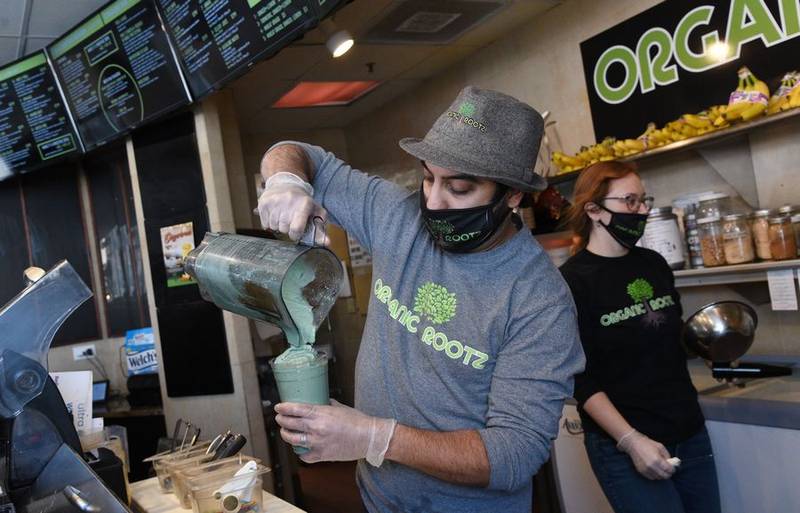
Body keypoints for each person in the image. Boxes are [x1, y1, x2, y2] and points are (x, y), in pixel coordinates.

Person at [255, 86, 584, 512]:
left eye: (459, 188)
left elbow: (514, 454)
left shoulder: (539, 301)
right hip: (379, 499)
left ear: (513, 196)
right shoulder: (397, 217)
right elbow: (296, 151)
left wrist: (374, 437)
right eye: (428, 177)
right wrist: (286, 181)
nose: (433, 201)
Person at [559, 161, 720, 513]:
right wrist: (631, 441)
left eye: (644, 200)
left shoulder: (653, 263)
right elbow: (580, 377)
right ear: (594, 210)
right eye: (630, 201)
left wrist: (711, 343)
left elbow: (671, 341)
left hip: (689, 430)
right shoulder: (571, 282)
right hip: (624, 445)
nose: (642, 210)